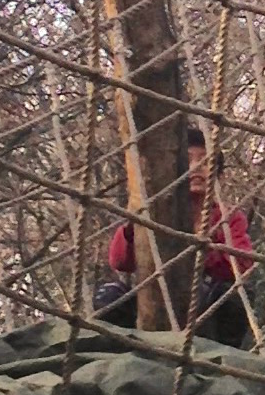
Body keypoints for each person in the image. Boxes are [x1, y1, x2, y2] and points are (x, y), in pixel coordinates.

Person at [95, 125, 255, 345]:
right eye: (187, 160)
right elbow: (120, 261)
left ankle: (216, 358)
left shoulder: (228, 218)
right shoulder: (155, 209)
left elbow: (242, 262)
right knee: (108, 297)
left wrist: (199, 252)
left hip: (203, 305)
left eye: (206, 161)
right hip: (150, 296)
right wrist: (134, 228)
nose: (197, 167)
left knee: (236, 296)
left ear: (218, 175)